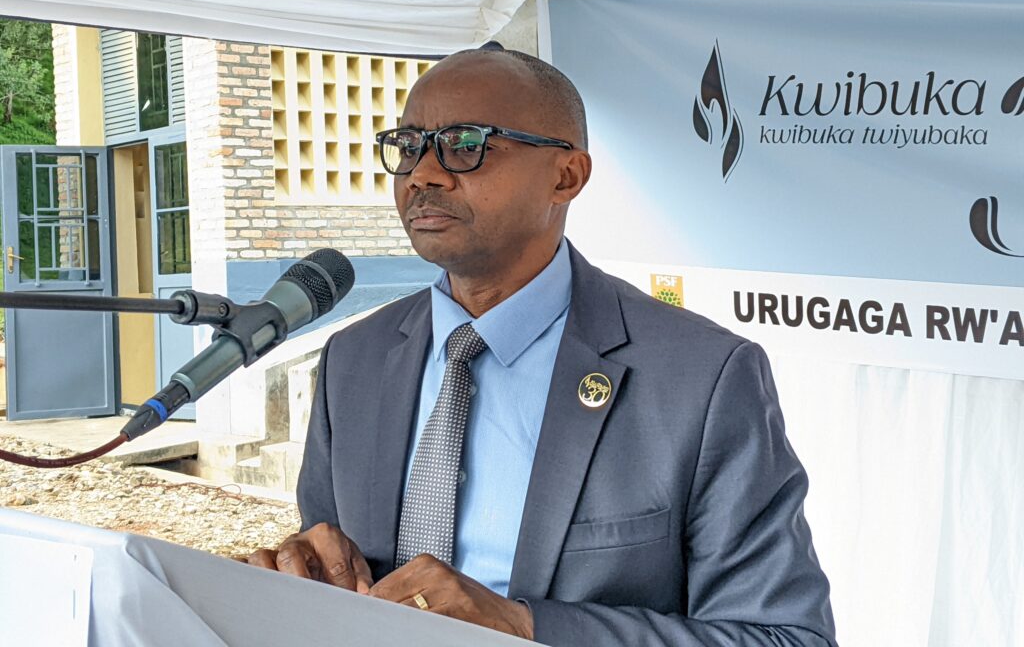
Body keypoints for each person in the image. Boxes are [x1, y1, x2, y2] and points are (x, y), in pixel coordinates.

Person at [248, 48, 837, 646]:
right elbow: (337, 572)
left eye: (465, 145)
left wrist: (526, 627)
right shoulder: (354, 358)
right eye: (408, 146)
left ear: (566, 176)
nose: (423, 175)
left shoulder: (701, 377)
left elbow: (786, 637)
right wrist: (306, 573)